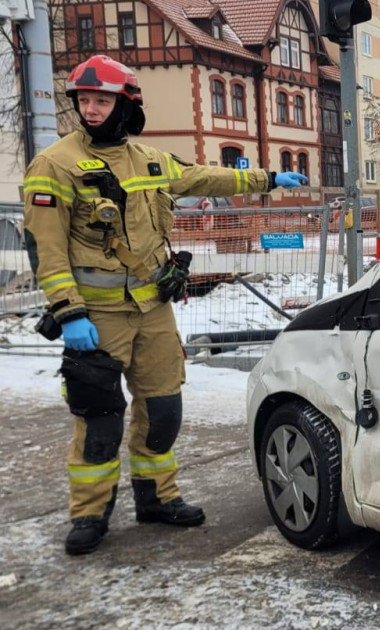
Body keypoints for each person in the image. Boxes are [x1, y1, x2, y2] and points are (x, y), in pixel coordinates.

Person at [21, 55, 309, 555]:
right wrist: (69, 312)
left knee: (163, 411)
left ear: (125, 103)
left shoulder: (148, 159)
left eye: (101, 100)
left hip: (153, 310)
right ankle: (90, 513)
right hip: (97, 317)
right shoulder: (55, 164)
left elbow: (203, 177)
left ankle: (157, 497)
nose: (90, 109)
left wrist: (266, 179)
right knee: (100, 420)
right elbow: (46, 249)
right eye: (84, 100)